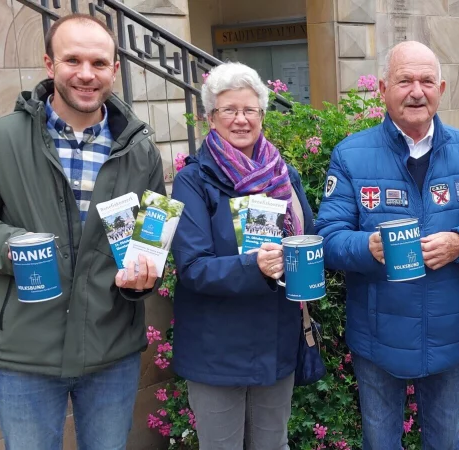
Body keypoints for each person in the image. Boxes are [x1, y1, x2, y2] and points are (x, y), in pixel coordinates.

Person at [0, 13, 164, 450]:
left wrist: (142, 278)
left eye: (99, 63)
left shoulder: (140, 150)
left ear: (115, 70)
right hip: (25, 352)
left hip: (110, 350)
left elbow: (149, 238)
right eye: (72, 60)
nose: (86, 74)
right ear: (49, 64)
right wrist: (11, 246)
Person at [315, 41, 459, 449]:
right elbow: (328, 239)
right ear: (384, 89)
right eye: (405, 81)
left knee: (445, 444)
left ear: (441, 88)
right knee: (381, 443)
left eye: (426, 81)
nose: (416, 91)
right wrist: (367, 247)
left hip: (447, 333)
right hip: (377, 337)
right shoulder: (351, 155)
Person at [170, 62, 314, 450]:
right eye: (228, 110)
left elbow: (309, 234)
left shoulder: (284, 174)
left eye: (250, 110)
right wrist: (254, 266)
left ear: (262, 115)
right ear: (210, 118)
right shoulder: (193, 180)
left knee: (273, 445)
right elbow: (192, 267)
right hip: (216, 348)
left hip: (275, 338)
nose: (240, 120)